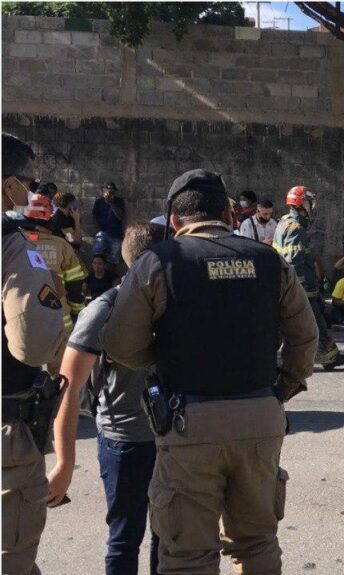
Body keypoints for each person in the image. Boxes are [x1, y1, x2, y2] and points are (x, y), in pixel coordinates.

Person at [101, 169, 318, 574]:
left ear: (173, 221)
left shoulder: (157, 264)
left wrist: (161, 358)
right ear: (229, 214)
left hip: (188, 421)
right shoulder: (269, 261)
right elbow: (306, 339)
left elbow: (119, 345)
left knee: (188, 555)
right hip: (260, 414)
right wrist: (281, 389)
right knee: (257, 543)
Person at [48, 223, 164, 575]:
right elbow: (68, 387)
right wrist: (64, 465)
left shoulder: (178, 304)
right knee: (125, 538)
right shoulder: (105, 308)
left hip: (172, 439)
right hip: (124, 442)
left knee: (169, 537)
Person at [1, 134, 66, 575]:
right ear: (8, 186)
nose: (30, 192)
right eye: (26, 183)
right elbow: (34, 343)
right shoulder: (13, 244)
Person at [273, 185, 344, 370]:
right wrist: (303, 289)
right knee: (315, 322)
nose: (312, 206)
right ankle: (329, 357)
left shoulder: (284, 222)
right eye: (309, 202)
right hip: (300, 287)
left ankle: (264, 359)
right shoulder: (296, 228)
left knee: (282, 326)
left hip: (286, 284)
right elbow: (294, 260)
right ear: (301, 204)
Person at [21, 190, 87, 370]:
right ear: (50, 218)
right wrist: (77, 314)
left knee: (25, 375)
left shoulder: (13, 244)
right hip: (58, 322)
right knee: (58, 376)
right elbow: (75, 286)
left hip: (23, 320)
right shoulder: (62, 246)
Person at [92, 182, 126, 267]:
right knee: (96, 252)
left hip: (116, 234)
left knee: (113, 259)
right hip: (102, 233)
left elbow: (120, 217)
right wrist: (98, 229)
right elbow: (94, 216)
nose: (110, 193)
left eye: (112, 191)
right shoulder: (99, 201)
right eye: (108, 191)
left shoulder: (119, 201)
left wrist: (111, 203)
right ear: (104, 191)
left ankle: (111, 277)